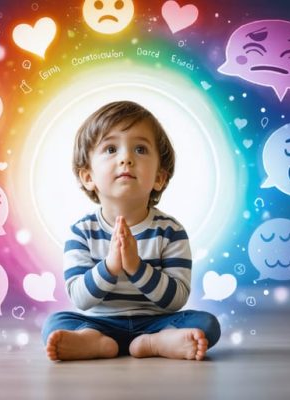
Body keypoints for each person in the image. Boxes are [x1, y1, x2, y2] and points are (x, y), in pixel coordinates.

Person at [41, 101, 220, 361]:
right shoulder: (82, 232)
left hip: (156, 322)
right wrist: (111, 266)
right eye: (111, 148)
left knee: (207, 324)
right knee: (54, 323)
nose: (126, 158)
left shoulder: (170, 231)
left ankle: (154, 342)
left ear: (159, 176)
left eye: (140, 149)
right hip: (100, 323)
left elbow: (176, 300)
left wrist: (136, 267)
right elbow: (80, 298)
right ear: (88, 176)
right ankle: (94, 341)